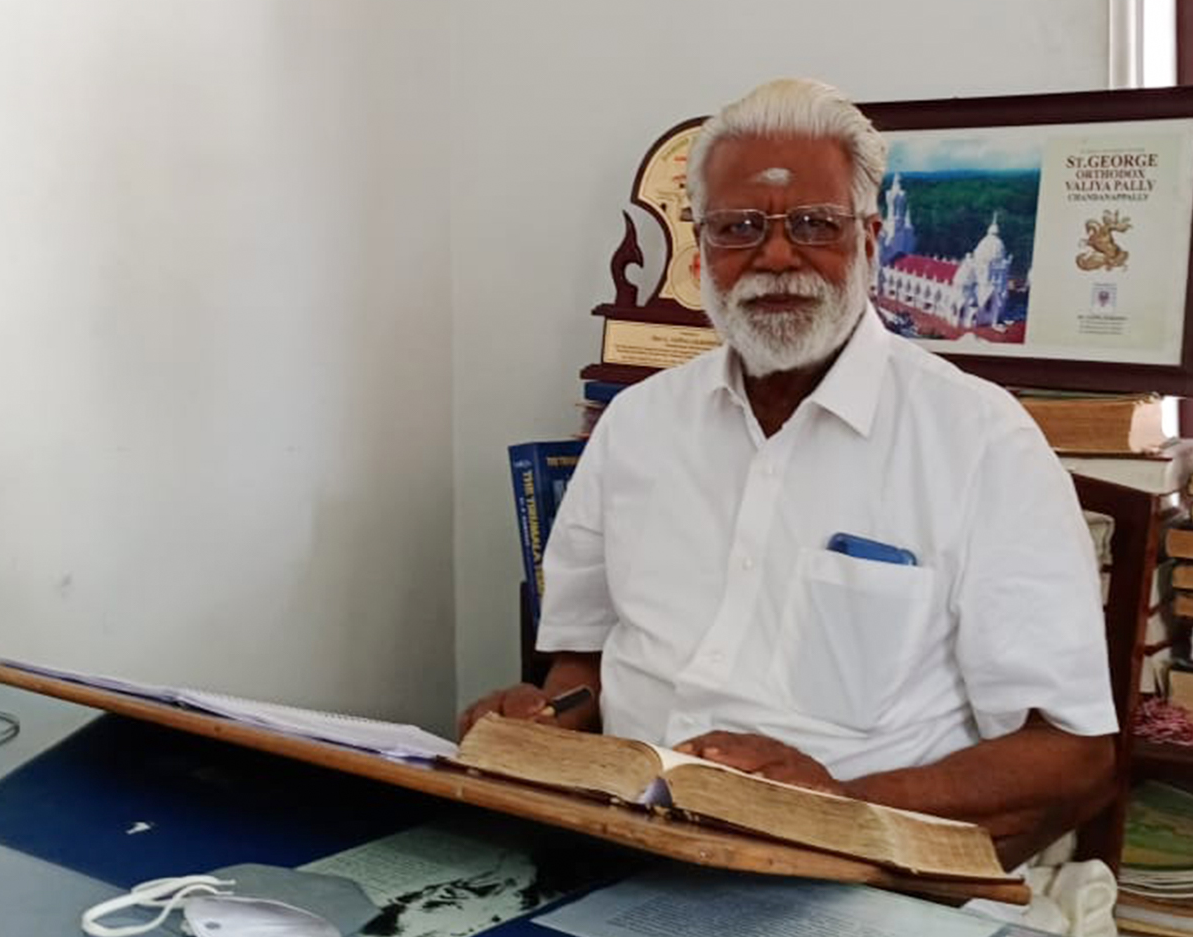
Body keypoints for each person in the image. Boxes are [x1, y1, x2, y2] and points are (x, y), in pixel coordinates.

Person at [460, 77, 1116, 863]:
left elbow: (1073, 759)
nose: (775, 256)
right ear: (702, 249)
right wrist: (541, 722)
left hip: (851, 872)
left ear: (871, 240)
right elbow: (586, 662)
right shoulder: (635, 426)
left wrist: (835, 805)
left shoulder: (982, 443)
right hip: (621, 847)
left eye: (814, 224)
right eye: (738, 228)